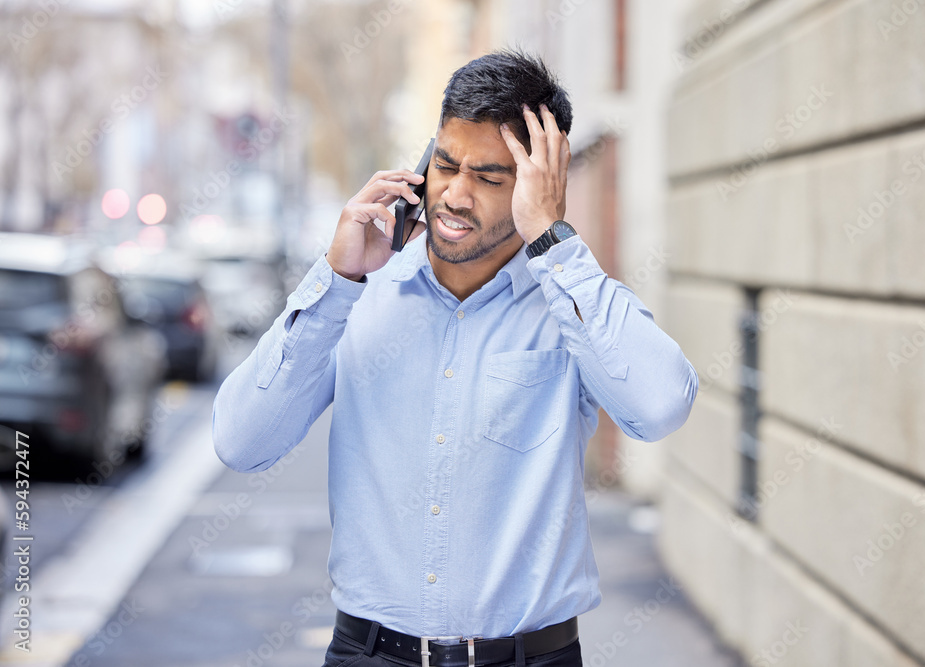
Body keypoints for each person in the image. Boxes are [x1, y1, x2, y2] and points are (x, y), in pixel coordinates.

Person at [213, 49, 698, 667]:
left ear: (537, 185)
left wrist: (552, 241)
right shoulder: (358, 292)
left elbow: (659, 407)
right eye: (445, 165)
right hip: (370, 654)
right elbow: (241, 442)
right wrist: (334, 283)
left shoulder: (573, 305)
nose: (456, 196)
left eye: (490, 178)